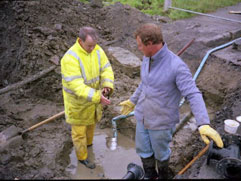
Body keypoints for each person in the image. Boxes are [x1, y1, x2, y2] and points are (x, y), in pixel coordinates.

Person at [119, 23, 223, 179]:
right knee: (143, 149)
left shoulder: (177, 67)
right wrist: (132, 101)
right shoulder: (147, 58)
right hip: (142, 116)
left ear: (150, 44)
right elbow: (145, 83)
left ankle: (163, 175)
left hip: (161, 121)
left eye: (140, 45)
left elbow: (193, 93)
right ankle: (149, 175)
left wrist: (203, 123)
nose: (138, 48)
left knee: (161, 153)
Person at [61, 26, 114, 169]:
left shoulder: (97, 50)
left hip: (93, 102)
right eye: (89, 45)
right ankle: (82, 158)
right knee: (79, 134)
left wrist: (107, 85)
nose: (92, 48)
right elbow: (76, 86)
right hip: (77, 104)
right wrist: (97, 96)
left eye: (94, 45)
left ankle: (89, 144)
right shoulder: (70, 58)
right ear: (80, 41)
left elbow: (106, 68)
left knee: (91, 124)